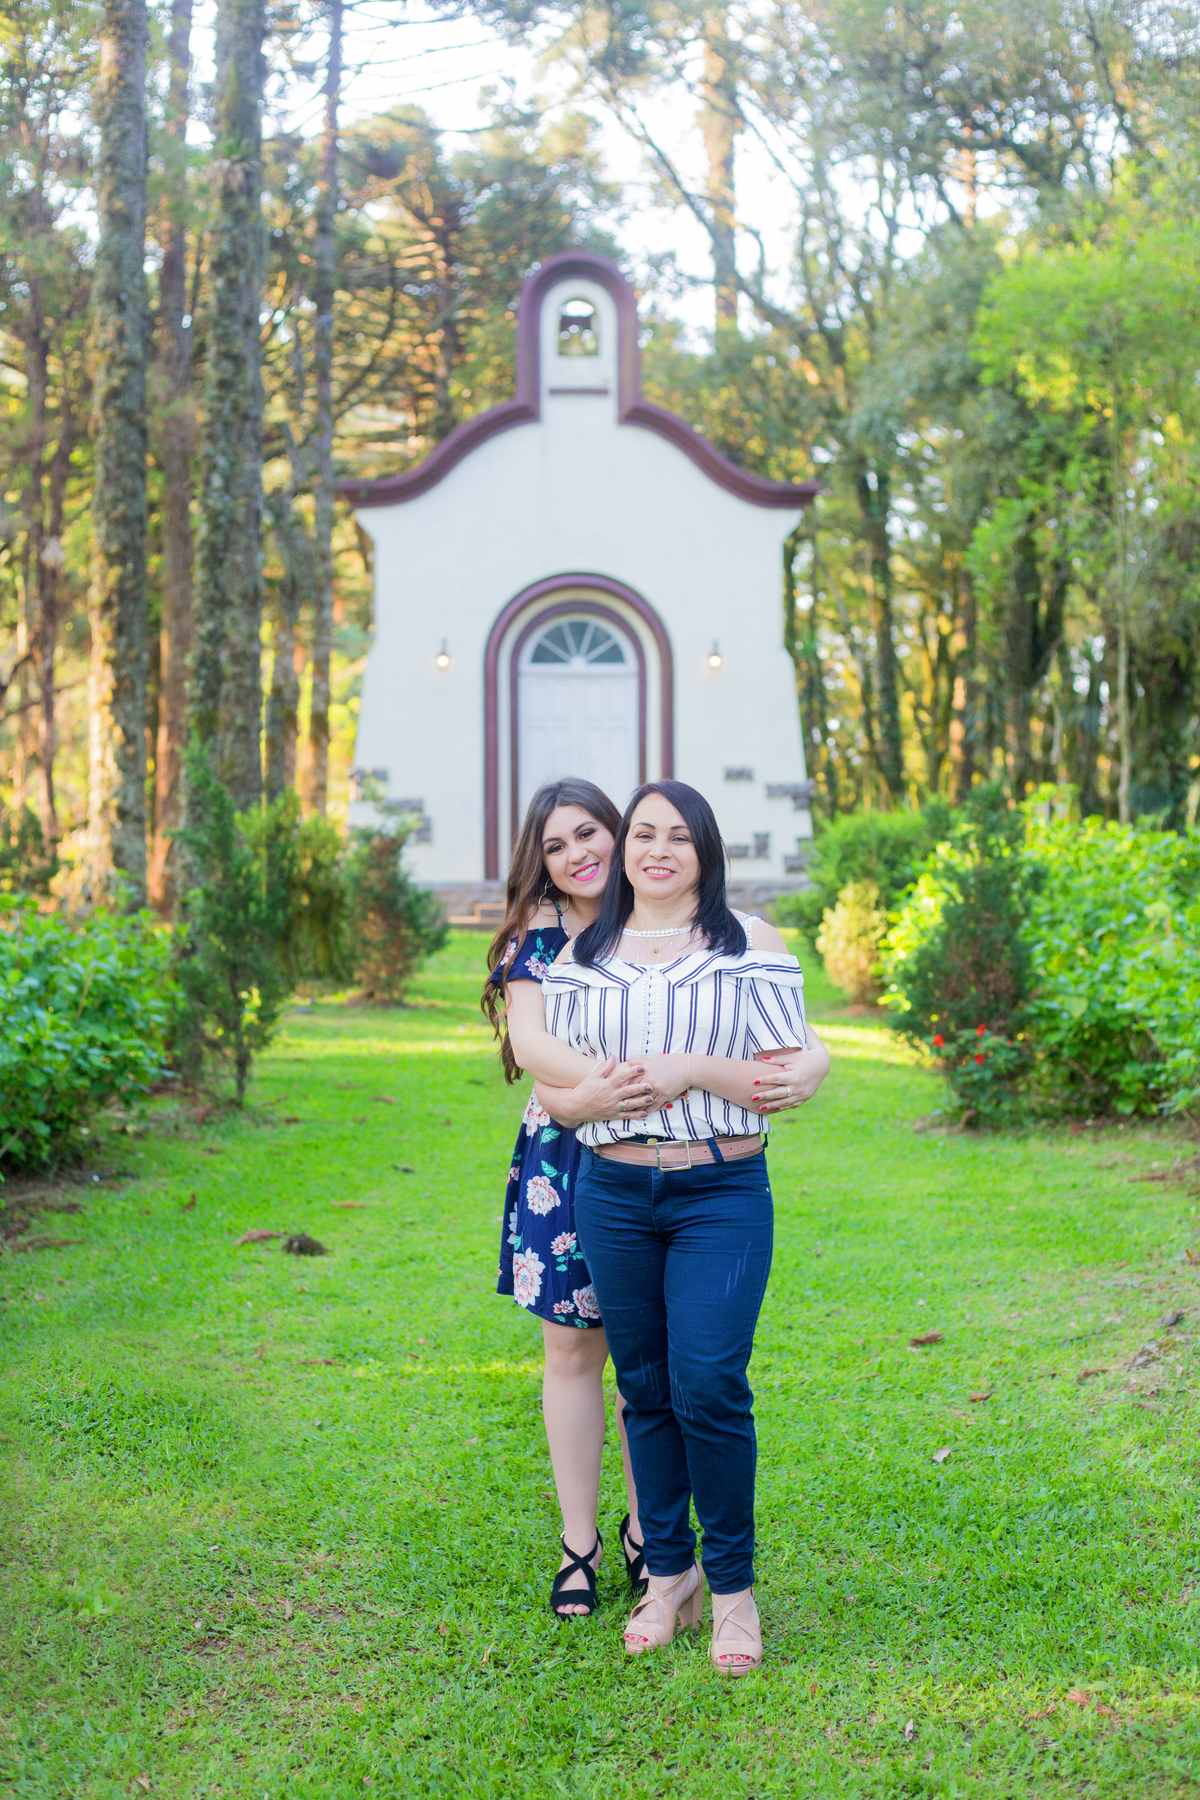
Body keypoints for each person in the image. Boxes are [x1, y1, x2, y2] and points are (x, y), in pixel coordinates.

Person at [535, 779, 830, 1673]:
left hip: (722, 1191)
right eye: (643, 835)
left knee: (709, 1383)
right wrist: (584, 1097)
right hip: (616, 1194)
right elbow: (554, 1092)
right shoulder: (583, 955)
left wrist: (688, 1067)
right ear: (625, 853)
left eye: (676, 836)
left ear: (704, 849)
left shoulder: (750, 949)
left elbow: (779, 1078)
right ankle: (670, 1577)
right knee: (644, 1390)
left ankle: (734, 1591)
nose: (655, 849)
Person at [482, 778, 654, 1617]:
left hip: (659, 1147)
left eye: (590, 833)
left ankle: (648, 1530)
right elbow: (531, 1038)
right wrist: (606, 1087)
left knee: (644, 1353)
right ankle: (579, 1542)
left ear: (618, 832)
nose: (579, 853)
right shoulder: (536, 936)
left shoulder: (655, 917)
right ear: (541, 863)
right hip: (565, 1155)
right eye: (556, 845)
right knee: (571, 1351)